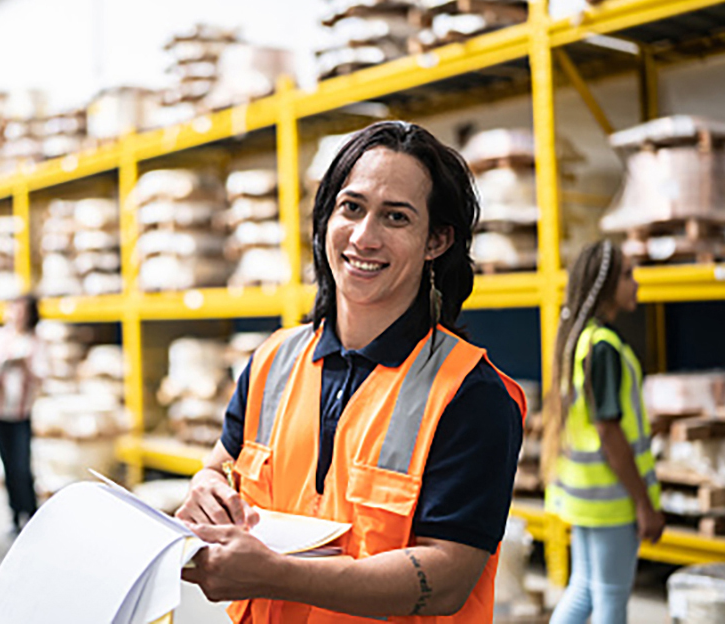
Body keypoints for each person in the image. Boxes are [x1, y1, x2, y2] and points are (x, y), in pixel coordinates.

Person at [176, 121, 526, 623]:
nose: (364, 237)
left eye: (396, 218)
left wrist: (273, 573)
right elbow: (218, 468)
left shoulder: (470, 394)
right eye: (352, 208)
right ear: (325, 219)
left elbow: (446, 577)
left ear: (437, 240)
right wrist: (204, 491)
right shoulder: (273, 362)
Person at [542, 240, 665, 624]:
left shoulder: (580, 341)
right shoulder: (605, 347)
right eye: (628, 275)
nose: (636, 284)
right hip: (612, 502)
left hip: (586, 498)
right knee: (611, 601)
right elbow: (609, 433)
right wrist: (645, 505)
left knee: (584, 590)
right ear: (607, 283)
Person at [0, 295, 46, 535]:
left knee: (22, 465)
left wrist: (24, 366)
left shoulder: (34, 342)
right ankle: (15, 514)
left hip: (20, 414)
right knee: (7, 465)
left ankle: (31, 512)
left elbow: (42, 375)